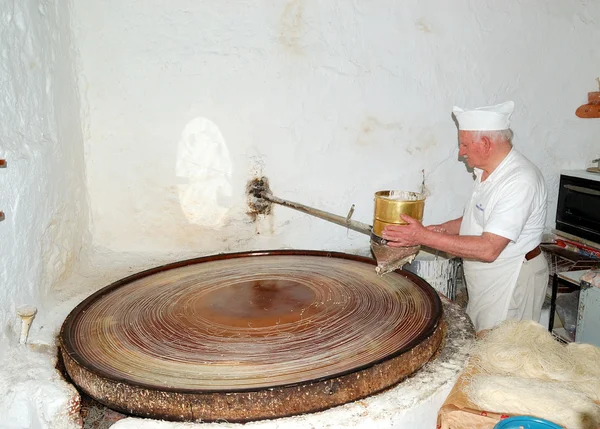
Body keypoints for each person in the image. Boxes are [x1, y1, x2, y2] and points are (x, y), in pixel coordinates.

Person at [382, 101, 549, 335]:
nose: (461, 152)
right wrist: (441, 229)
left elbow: (489, 248)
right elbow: (478, 218)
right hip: (491, 278)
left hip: (512, 279)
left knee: (504, 354)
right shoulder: (488, 172)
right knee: (483, 340)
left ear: (486, 144)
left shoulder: (519, 181)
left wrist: (423, 236)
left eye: (464, 144)